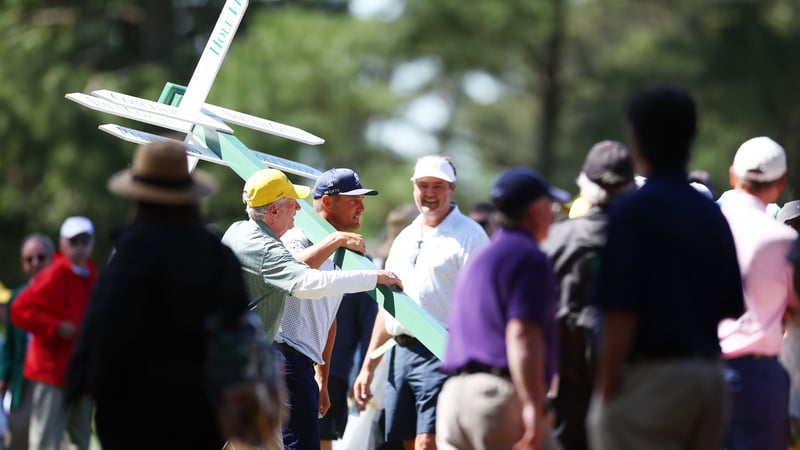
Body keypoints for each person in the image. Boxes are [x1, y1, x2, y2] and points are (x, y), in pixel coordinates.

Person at [66, 141, 283, 449]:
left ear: (138, 197)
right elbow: (236, 330)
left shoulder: (131, 255)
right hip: (201, 415)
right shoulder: (217, 256)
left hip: (132, 416)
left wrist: (86, 384)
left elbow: (104, 332)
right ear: (190, 197)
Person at [586, 85, 745, 450]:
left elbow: (618, 314)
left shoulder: (632, 212)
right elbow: (731, 305)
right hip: (709, 380)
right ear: (691, 139)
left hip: (651, 382)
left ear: (637, 142)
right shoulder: (710, 213)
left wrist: (606, 392)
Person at [353, 155, 489, 450]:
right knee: (407, 442)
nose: (429, 193)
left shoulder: (470, 236)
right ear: (414, 187)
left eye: (437, 186)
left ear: (452, 189)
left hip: (443, 351)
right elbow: (387, 307)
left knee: (429, 442)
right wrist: (368, 366)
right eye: (423, 185)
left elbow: (483, 306)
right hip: (400, 354)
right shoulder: (405, 236)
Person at [437, 167, 569, 450]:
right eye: (550, 205)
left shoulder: (483, 256)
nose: (554, 213)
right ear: (535, 210)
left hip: (453, 399)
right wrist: (533, 405)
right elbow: (522, 333)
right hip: (496, 399)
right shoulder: (527, 256)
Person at [269, 168, 379, 450]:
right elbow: (292, 271)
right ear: (328, 203)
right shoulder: (300, 234)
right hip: (283, 357)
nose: (362, 207)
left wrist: (322, 377)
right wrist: (336, 239)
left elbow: (330, 319)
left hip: (300, 363)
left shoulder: (339, 252)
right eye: (353, 200)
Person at [541, 140, 635, 450]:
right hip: (630, 386)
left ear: (585, 183)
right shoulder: (652, 241)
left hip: (567, 386)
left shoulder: (556, 238)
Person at [718, 136, 799, 449]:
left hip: (700, 373)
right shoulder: (785, 242)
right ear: (780, 185)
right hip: (758, 378)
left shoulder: (704, 225)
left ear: (732, 177)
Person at [10, 217, 97, 450]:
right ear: (63, 244)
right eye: (73, 240)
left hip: (80, 372)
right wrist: (54, 326)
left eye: (85, 240)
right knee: (45, 442)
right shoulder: (53, 275)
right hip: (51, 373)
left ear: (92, 243)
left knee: (80, 440)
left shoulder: (91, 275)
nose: (79, 246)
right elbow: (18, 310)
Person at [0, 234, 54, 450]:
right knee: (18, 437)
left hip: (53, 379)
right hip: (23, 380)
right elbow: (10, 346)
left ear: (51, 258)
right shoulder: (17, 297)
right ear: (23, 263)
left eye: (41, 257)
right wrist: (3, 377)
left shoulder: (63, 292)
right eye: (29, 259)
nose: (35, 263)